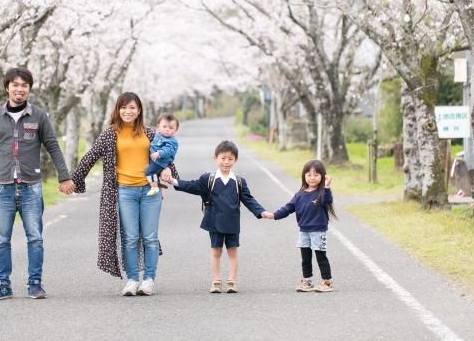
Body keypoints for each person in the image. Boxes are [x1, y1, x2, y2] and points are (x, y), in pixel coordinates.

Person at [58, 92, 178, 296]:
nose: (127, 111)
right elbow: (90, 157)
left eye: (132, 107)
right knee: (130, 237)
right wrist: (72, 180)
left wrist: (167, 169)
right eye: (123, 107)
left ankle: (148, 280)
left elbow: (167, 153)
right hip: (125, 192)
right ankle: (132, 280)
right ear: (117, 110)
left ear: (139, 110)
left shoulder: (150, 134)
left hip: (151, 191)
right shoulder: (110, 134)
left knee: (150, 237)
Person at [0, 67, 70, 301]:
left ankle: (35, 283)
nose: (19, 89)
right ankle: (3, 284)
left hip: (31, 186)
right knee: (1, 237)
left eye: (24, 86)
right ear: (7, 88)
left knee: (35, 237)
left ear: (29, 89)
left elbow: (53, 146)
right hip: (2, 186)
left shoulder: (39, 116)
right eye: (15, 85)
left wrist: (64, 176)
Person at [161, 140, 271, 294]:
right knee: (216, 252)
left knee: (233, 252)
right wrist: (173, 181)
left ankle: (232, 281)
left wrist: (261, 212)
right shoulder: (208, 178)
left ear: (235, 160)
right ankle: (216, 281)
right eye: (223, 158)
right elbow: (192, 186)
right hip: (214, 221)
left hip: (232, 221)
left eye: (230, 159)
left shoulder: (239, 181)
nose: (226, 162)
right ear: (216, 158)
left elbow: (248, 199)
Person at [271, 159, 338, 293]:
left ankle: (327, 281)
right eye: (309, 175)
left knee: (320, 257)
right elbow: (288, 208)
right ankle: (307, 280)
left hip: (318, 231)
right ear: (304, 176)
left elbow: (327, 201)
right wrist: (274, 215)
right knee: (305, 258)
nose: (312, 178)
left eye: (316, 175)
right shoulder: (300, 194)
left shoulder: (322, 193)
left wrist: (327, 187)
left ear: (322, 176)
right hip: (304, 231)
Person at [144, 113, 179, 196]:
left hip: (160, 162)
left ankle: (154, 187)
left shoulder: (172, 141)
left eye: (171, 128)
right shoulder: (158, 135)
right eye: (164, 127)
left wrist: (159, 153)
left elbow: (168, 151)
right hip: (155, 159)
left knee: (149, 171)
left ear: (176, 130)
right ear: (158, 127)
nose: (167, 129)